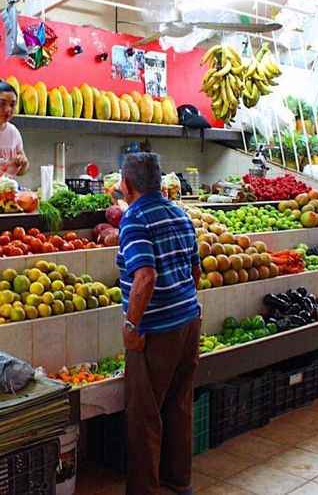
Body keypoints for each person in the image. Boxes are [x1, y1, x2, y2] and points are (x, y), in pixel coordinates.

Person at [116, 152, 201, 495]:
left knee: (144, 415)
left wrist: (132, 325)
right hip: (188, 322)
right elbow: (195, 271)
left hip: (156, 330)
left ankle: (145, 490)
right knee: (179, 405)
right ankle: (178, 481)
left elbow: (145, 276)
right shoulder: (179, 213)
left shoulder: (134, 219)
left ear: (127, 185)